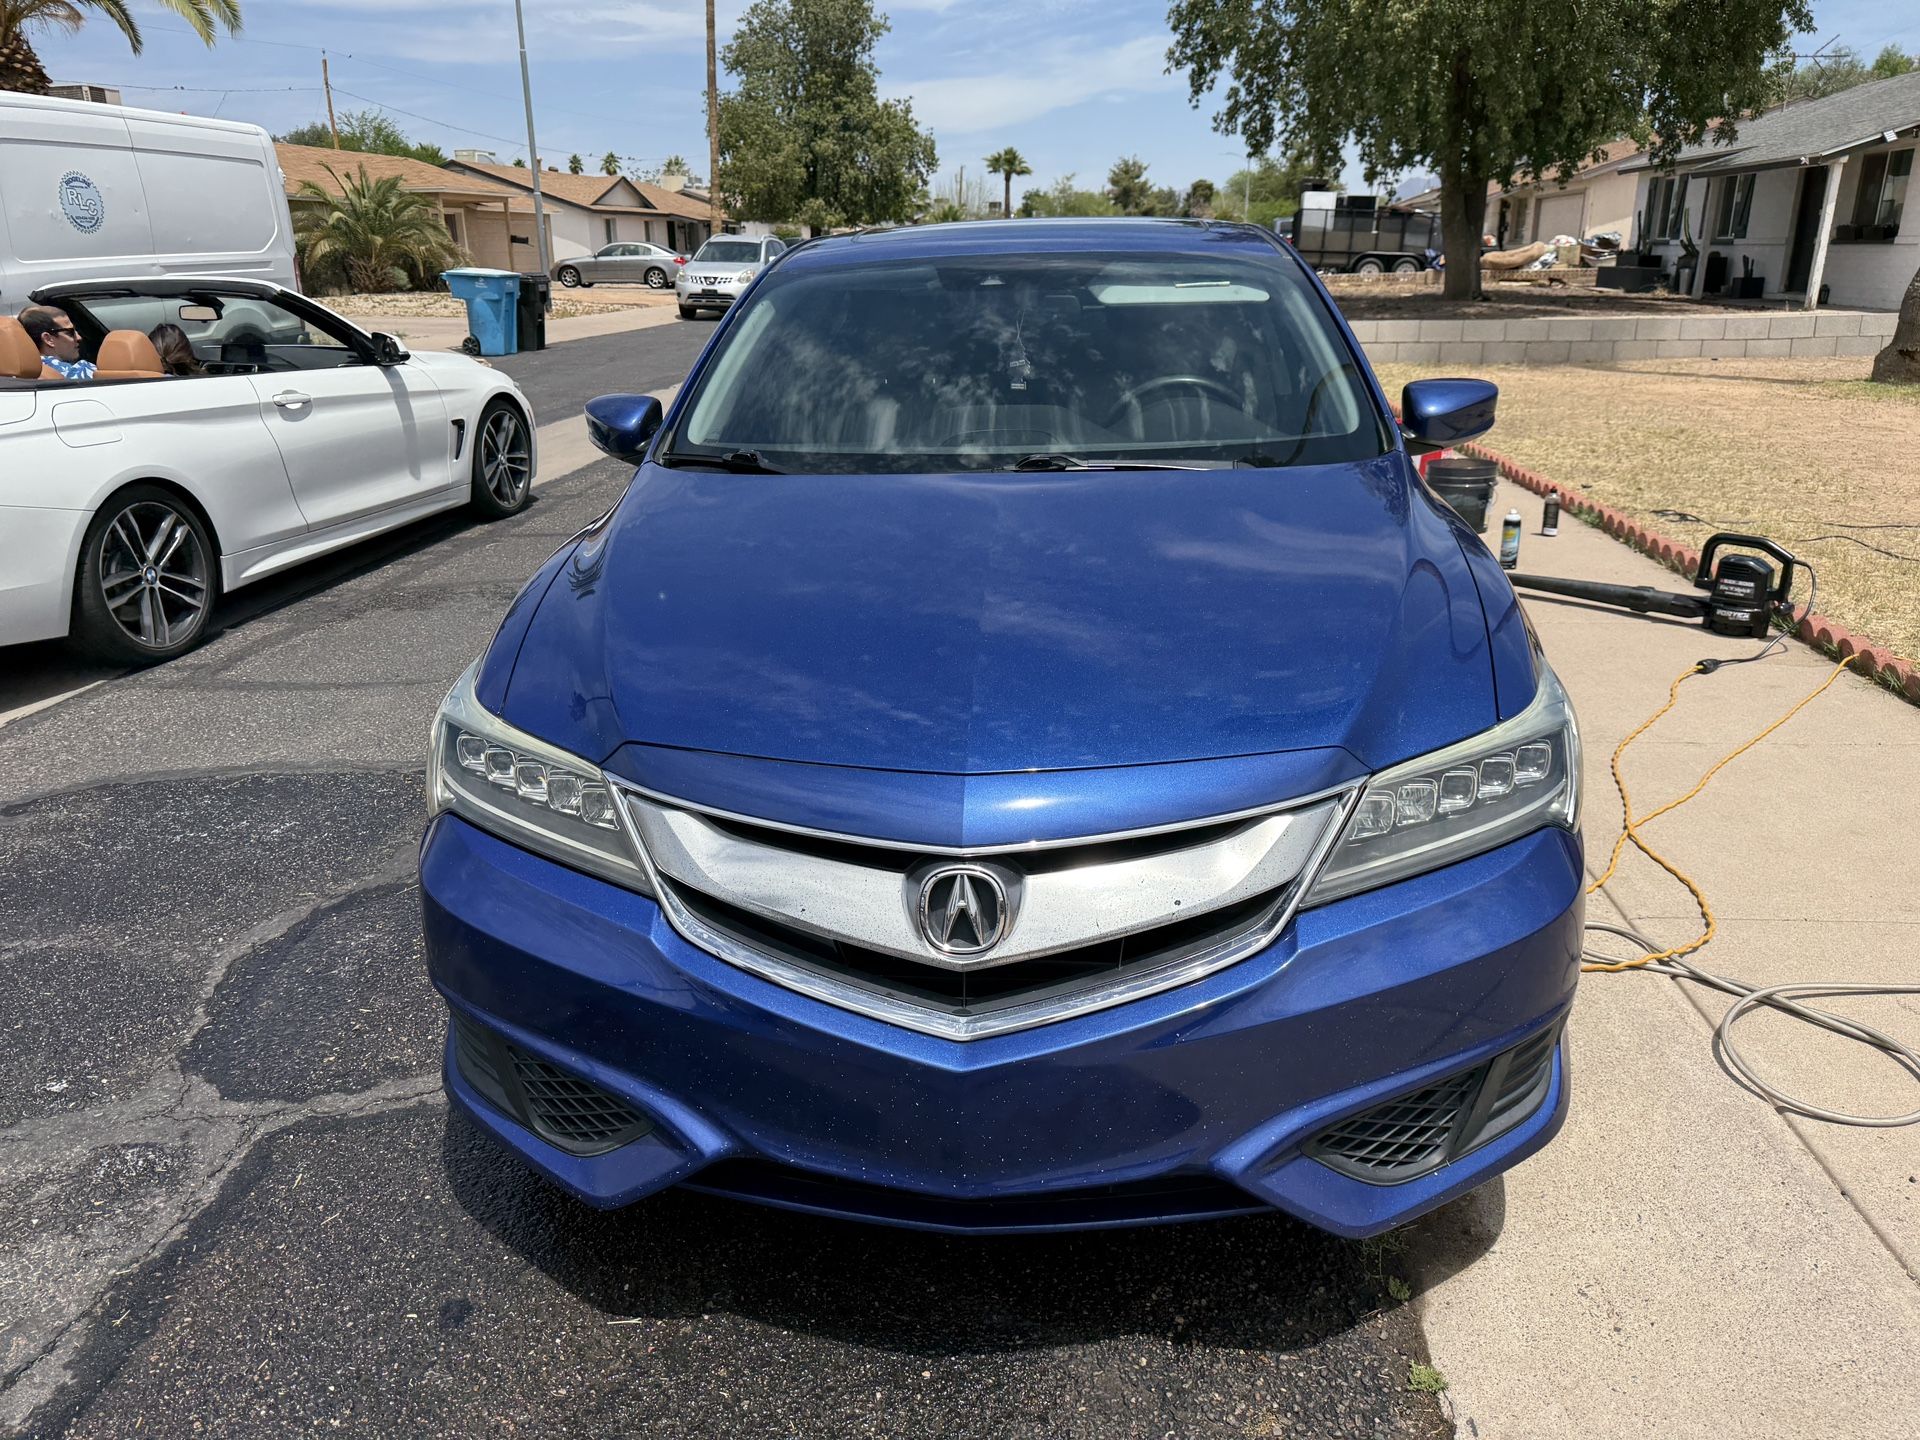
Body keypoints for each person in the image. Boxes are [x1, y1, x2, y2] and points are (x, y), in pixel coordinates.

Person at [19, 306, 95, 380]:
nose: (79, 337)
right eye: (70, 333)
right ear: (48, 339)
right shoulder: (80, 372)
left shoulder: (17, 373)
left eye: (76, 330)